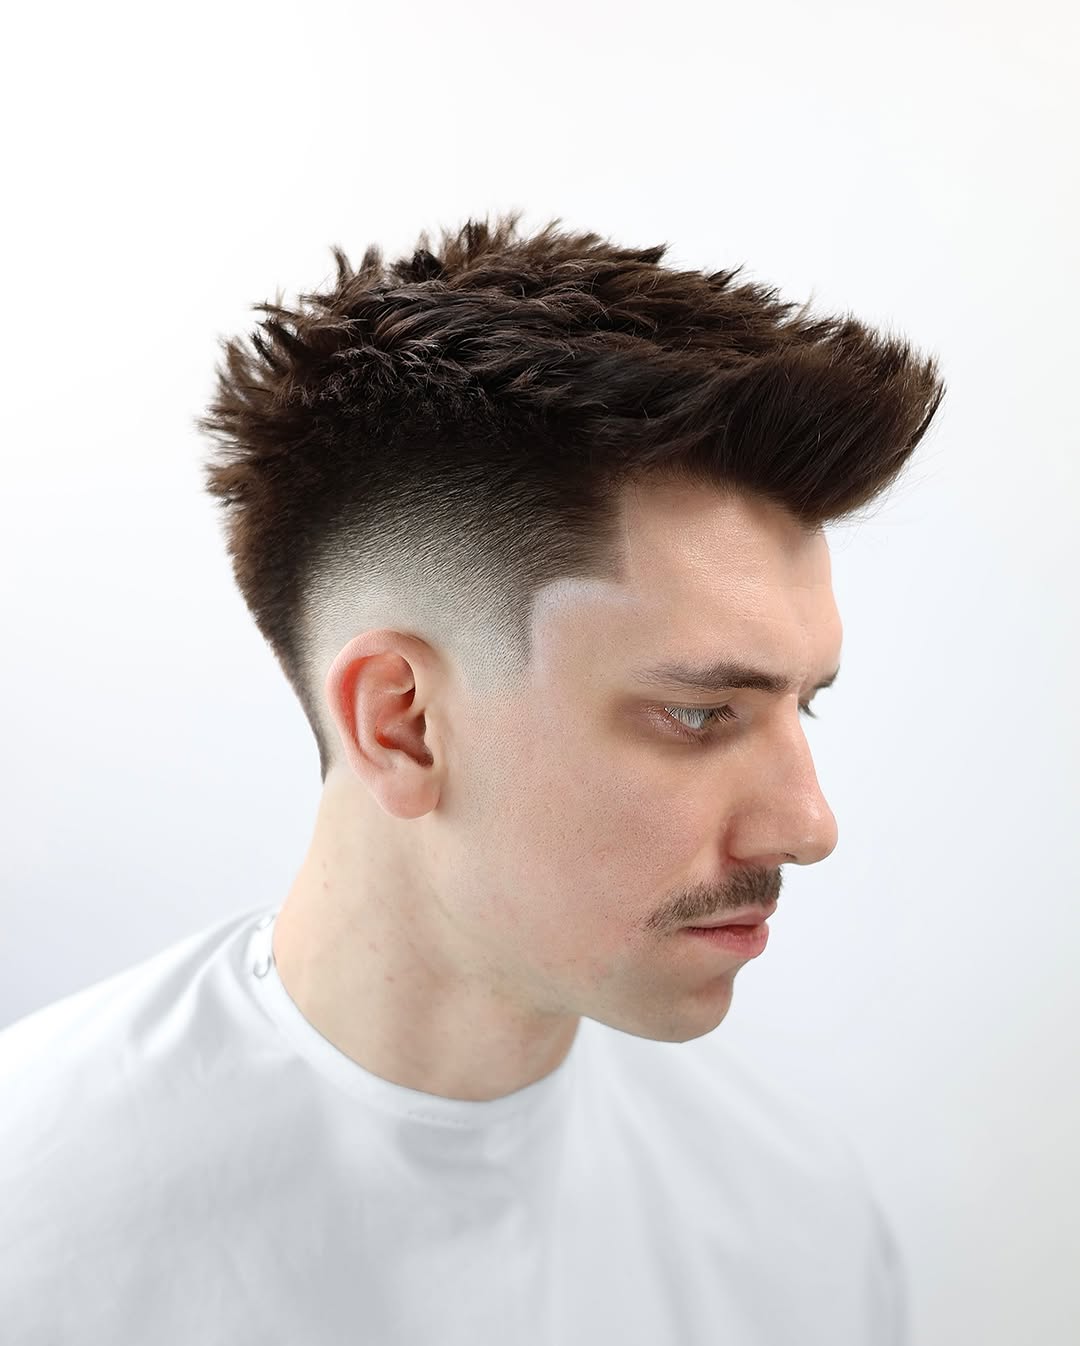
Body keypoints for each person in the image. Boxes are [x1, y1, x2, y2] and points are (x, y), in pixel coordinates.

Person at [0, 211, 944, 1344]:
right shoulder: (33, 1227)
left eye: (806, 704)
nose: (809, 823)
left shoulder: (795, 1230)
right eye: (701, 714)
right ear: (401, 725)